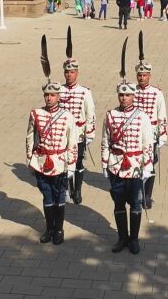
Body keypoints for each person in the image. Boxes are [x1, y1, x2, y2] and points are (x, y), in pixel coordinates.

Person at [102, 41, 154, 254]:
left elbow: (147, 144)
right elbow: (106, 141)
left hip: (134, 167)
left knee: (135, 204)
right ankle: (121, 238)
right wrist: (105, 164)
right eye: (121, 95)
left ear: (133, 96)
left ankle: (134, 239)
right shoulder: (110, 115)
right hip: (116, 166)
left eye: (128, 95)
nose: (124, 98)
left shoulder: (142, 117)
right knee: (117, 205)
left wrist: (147, 167)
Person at [26, 36, 78, 245]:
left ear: (58, 97)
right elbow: (30, 136)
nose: (49, 98)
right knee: (46, 198)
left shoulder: (66, 116)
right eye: (47, 95)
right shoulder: (36, 114)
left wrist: (71, 165)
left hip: (59, 162)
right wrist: (30, 159)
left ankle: (59, 229)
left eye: (53, 96)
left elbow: (72, 142)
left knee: (59, 197)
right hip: (41, 162)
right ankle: (48, 228)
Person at [59, 29, 96, 204]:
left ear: (77, 73)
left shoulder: (85, 92)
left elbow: (91, 114)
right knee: (65, 162)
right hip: (63, 134)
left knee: (79, 163)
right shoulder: (58, 90)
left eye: (72, 72)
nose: (69, 75)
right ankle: (66, 188)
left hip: (79, 133)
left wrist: (89, 134)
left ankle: (77, 190)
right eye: (67, 72)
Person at [134, 35, 167, 210]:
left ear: (149, 76)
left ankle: (147, 195)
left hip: (152, 133)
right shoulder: (131, 91)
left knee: (150, 163)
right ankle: (137, 192)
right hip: (135, 133)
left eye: (144, 75)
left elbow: (162, 115)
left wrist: (162, 136)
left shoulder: (156, 93)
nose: (141, 78)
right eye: (139, 75)